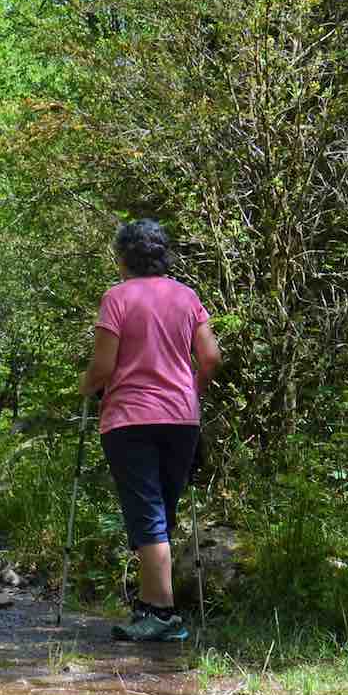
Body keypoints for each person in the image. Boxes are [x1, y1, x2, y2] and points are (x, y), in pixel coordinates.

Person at [77, 219, 221, 642]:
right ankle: (151, 604)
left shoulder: (117, 298)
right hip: (181, 419)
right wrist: (191, 390)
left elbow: (104, 367)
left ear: (123, 258)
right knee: (161, 512)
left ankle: (160, 613)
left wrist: (85, 388)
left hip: (130, 418)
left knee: (147, 514)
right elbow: (210, 357)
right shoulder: (187, 296)